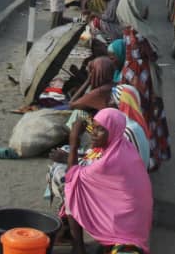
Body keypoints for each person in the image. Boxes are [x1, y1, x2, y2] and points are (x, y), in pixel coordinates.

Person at [53, 108, 153, 254]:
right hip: (134, 221)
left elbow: (73, 176)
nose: (93, 133)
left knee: (72, 188)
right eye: (93, 127)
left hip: (125, 224)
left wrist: (74, 141)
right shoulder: (123, 147)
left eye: (100, 130)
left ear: (113, 131)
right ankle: (104, 243)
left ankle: (78, 247)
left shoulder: (111, 160)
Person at [115, 0, 171, 169]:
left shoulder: (126, 29)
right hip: (141, 78)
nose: (147, 11)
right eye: (144, 7)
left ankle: (131, 153)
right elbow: (153, 55)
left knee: (131, 114)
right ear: (136, 8)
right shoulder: (139, 33)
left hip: (130, 75)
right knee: (145, 114)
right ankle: (147, 155)